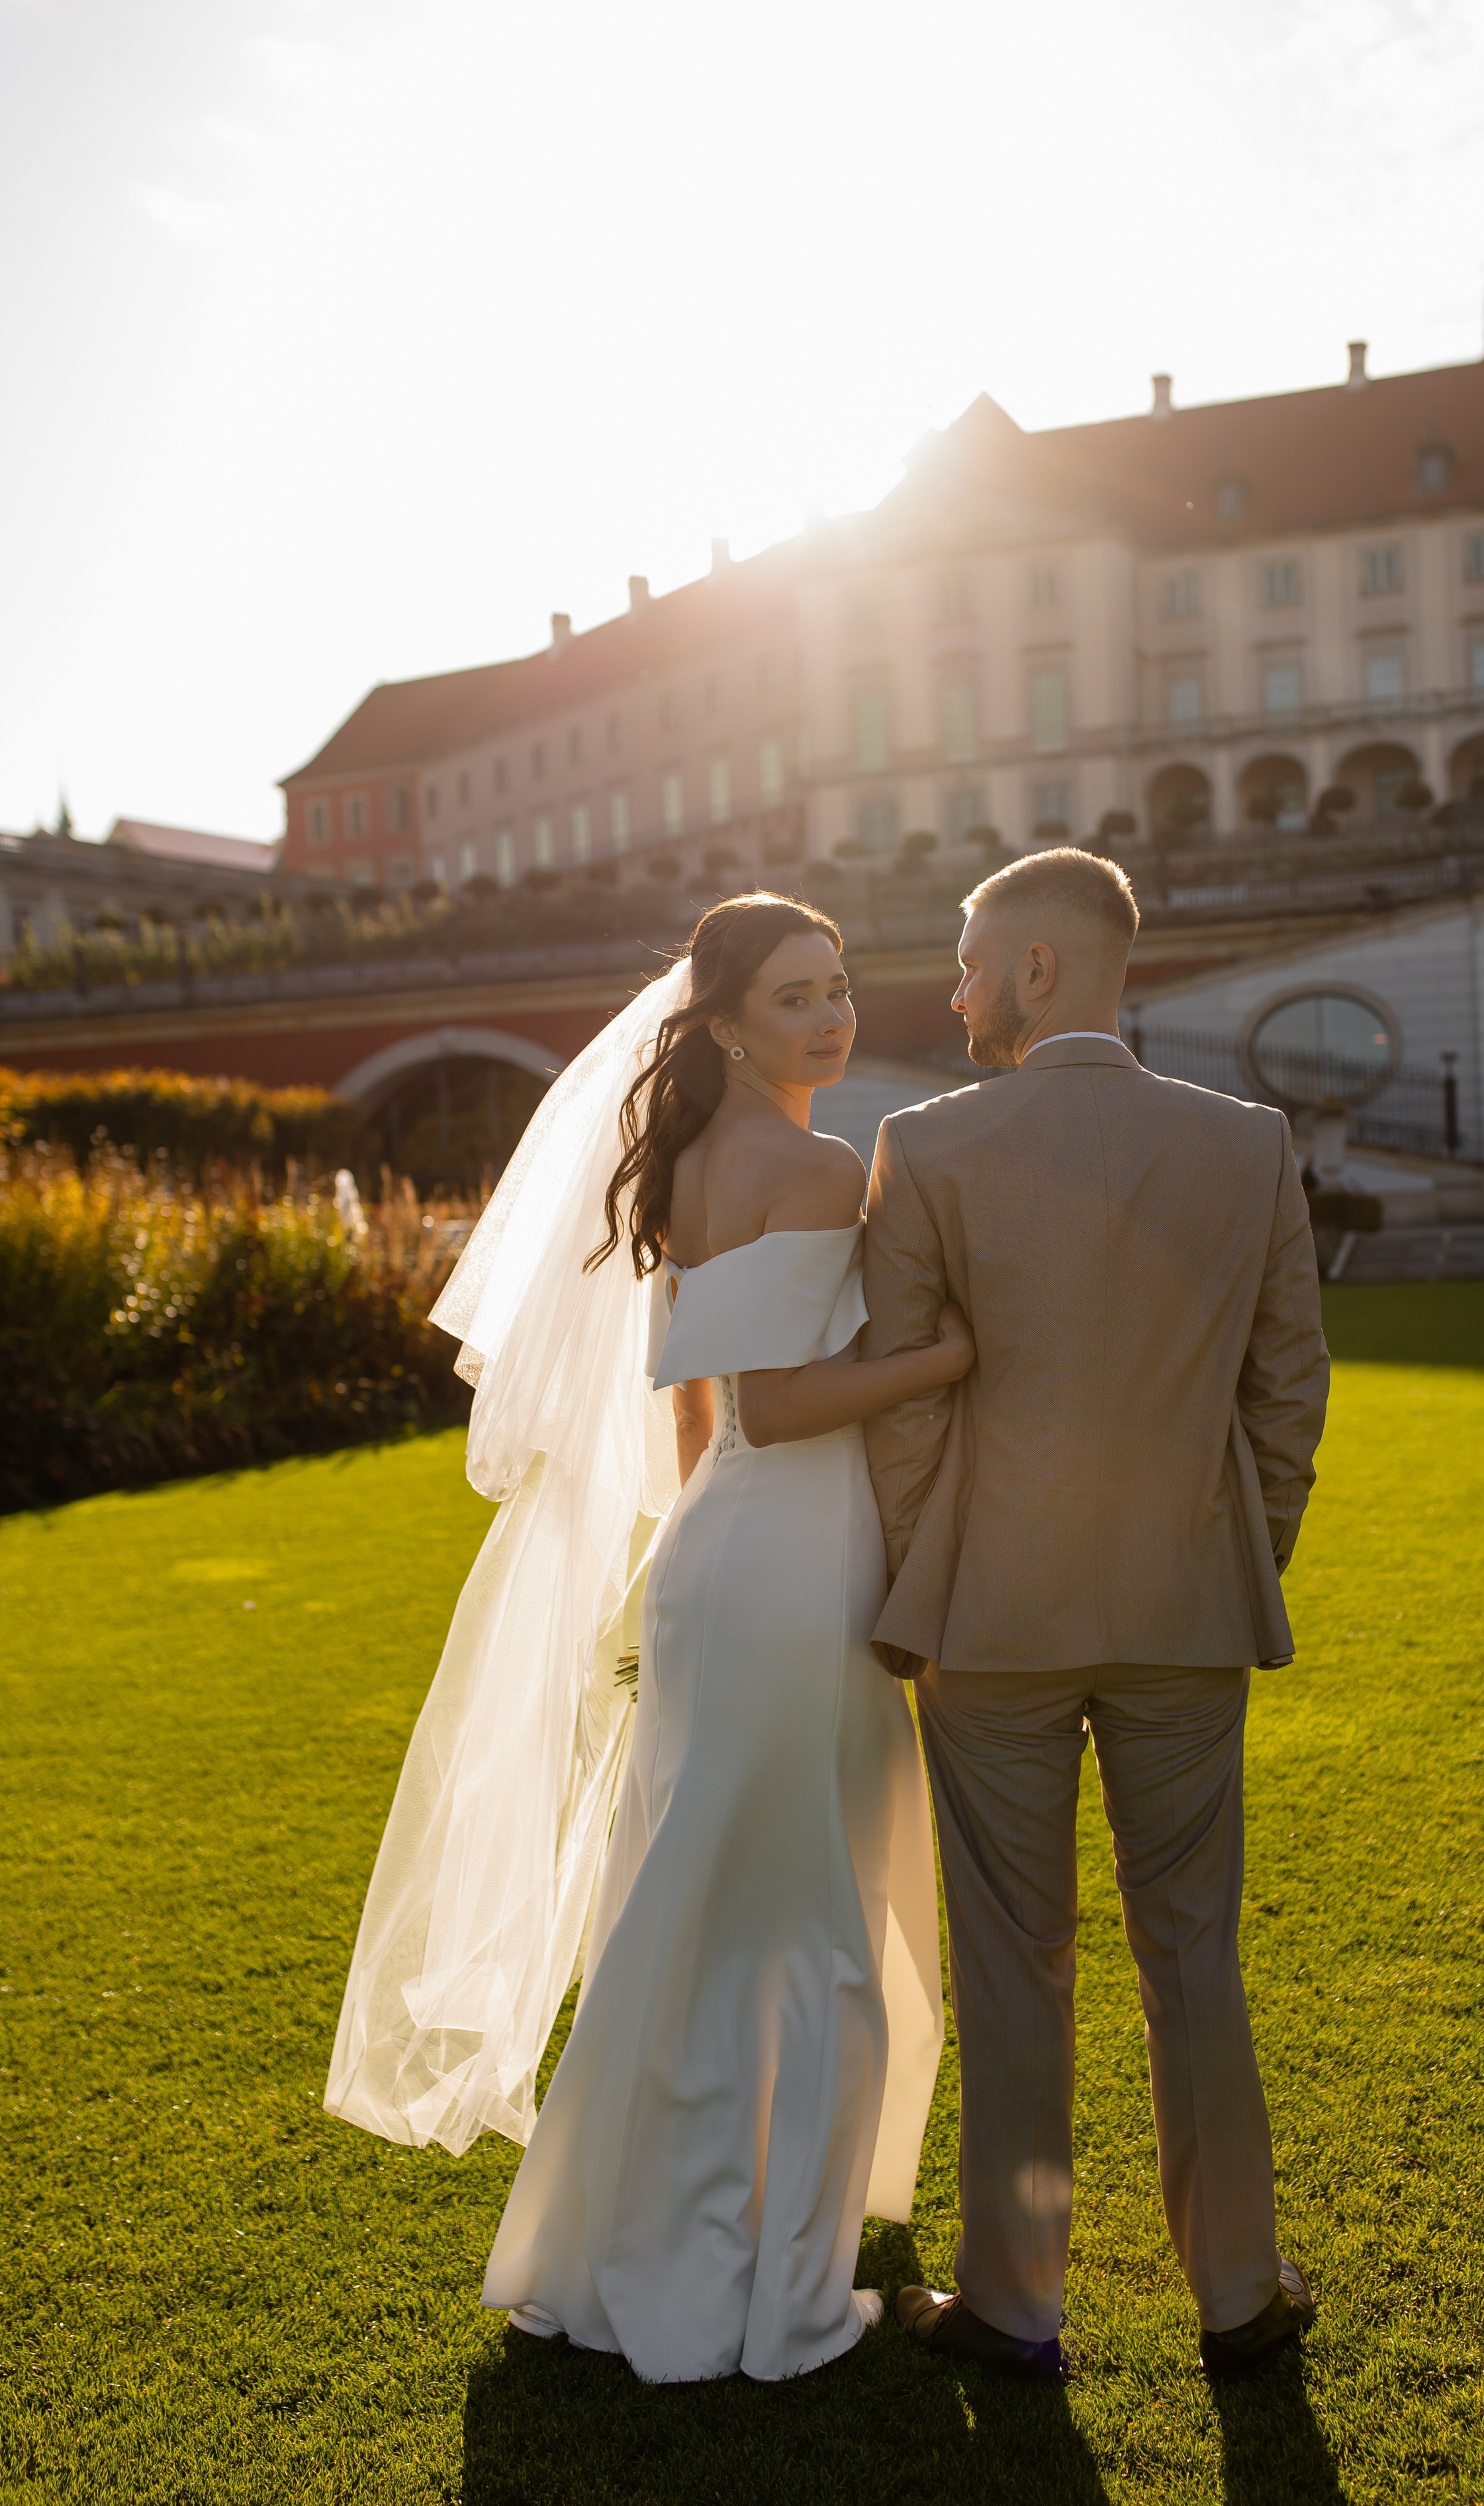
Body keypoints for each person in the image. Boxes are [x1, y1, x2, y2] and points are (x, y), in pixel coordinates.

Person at [327, 893, 953, 2384]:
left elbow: (698, 1416)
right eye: (796, 997)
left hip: (719, 1551)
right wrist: (947, 1355)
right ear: (725, 1020)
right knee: (808, 1918)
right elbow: (781, 1404)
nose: (831, 1017)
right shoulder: (809, 1168)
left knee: (687, 1906)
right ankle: (782, 2297)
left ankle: (631, 2243)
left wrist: (698, 1546)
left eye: (839, 987)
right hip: (793, 1558)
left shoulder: (673, 1168)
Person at [860, 847, 1330, 2383]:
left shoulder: (920, 1146)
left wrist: (922, 1576)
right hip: (1189, 1607)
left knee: (1013, 1966)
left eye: (968, 958)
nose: (953, 989)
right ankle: (1237, 2299)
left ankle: (1013, 2309)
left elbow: (906, 1417)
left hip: (987, 1618)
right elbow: (1286, 1394)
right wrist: (1231, 1544)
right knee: (1191, 1954)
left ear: (1038, 971)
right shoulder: (1247, 1143)